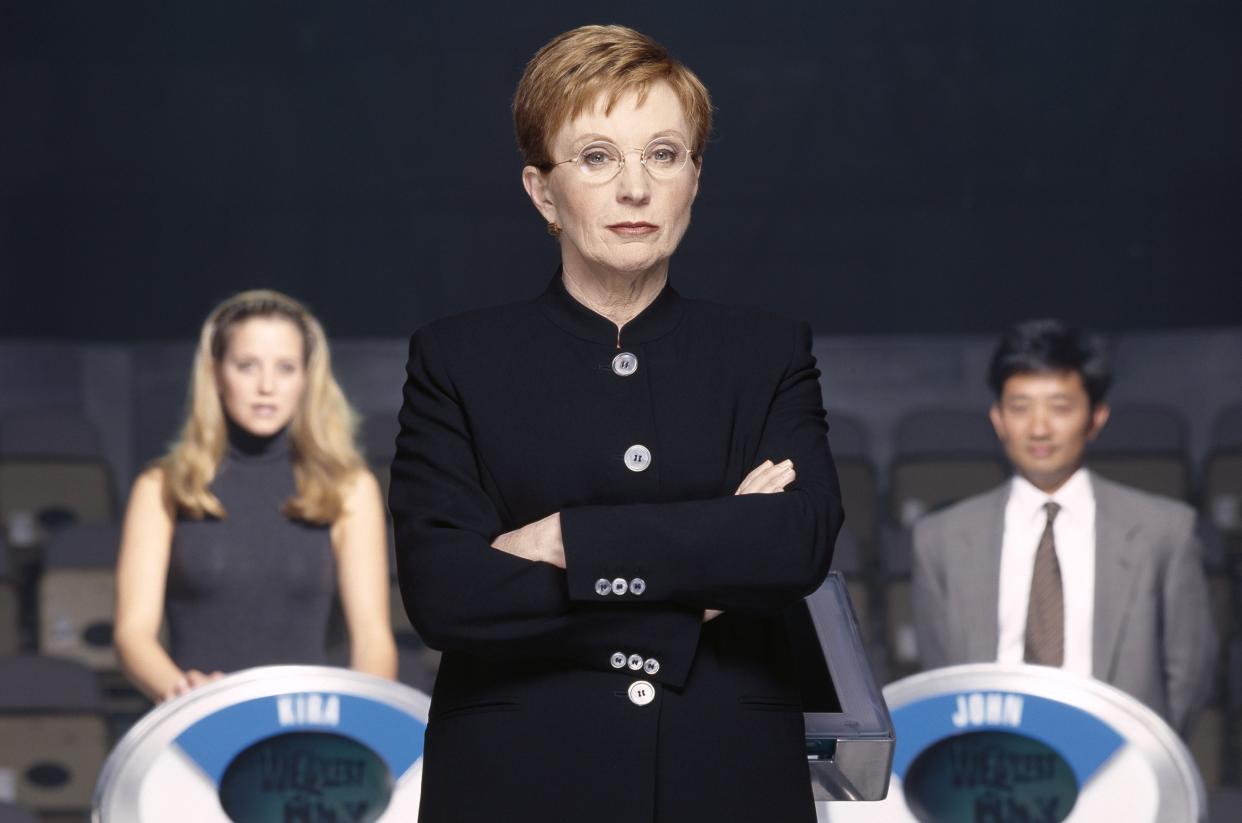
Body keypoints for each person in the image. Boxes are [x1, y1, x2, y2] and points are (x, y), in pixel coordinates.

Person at [389, 24, 844, 823]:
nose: (635, 187)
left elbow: (794, 541)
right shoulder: (457, 358)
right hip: (515, 781)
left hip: (726, 778)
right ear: (542, 192)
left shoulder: (766, 351)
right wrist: (698, 579)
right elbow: (448, 591)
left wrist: (568, 537)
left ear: (693, 180)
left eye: (662, 154)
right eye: (597, 157)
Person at [911, 318, 1217, 734]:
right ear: (998, 418)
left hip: (1121, 767)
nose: (1039, 428)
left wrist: (1142, 760)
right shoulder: (940, 539)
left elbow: (1189, 671)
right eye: (1020, 407)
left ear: (1096, 418)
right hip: (988, 764)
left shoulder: (1165, 531)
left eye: (1060, 407)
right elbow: (940, 675)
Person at [115, 290, 397, 702]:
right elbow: (132, 635)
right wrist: (184, 694)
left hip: (308, 735)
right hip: (194, 724)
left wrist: (363, 721)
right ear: (215, 373)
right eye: (247, 366)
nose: (266, 386)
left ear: (306, 378)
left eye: (285, 368)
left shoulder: (348, 488)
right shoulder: (161, 486)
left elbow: (373, 639)